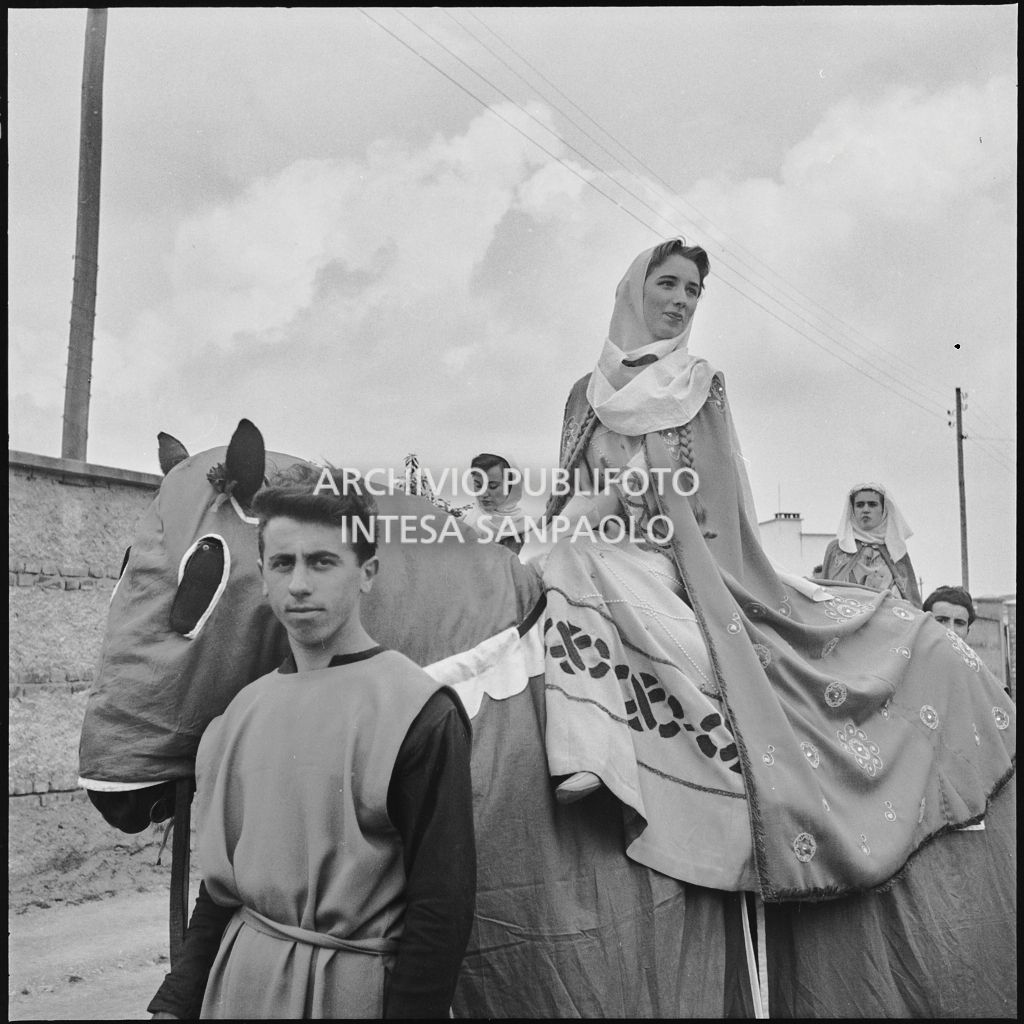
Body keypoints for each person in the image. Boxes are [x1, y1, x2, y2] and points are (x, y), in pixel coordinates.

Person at [540, 237, 1014, 900]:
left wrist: (632, 516)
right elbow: (571, 497)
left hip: (684, 565)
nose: (680, 301)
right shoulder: (583, 398)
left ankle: (600, 752)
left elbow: (721, 504)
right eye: (668, 284)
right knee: (558, 567)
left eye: (692, 291)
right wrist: (548, 540)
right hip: (600, 546)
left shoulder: (699, 387)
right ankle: (584, 746)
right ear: (633, 290)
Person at [147, 465, 475, 1019]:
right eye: (283, 563)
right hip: (236, 990)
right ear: (263, 573)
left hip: (349, 994)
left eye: (322, 562)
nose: (299, 583)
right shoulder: (241, 713)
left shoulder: (418, 712)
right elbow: (221, 889)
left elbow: (441, 912)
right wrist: (176, 1002)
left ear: (366, 572)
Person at [819, 483, 922, 606]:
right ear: (852, 510)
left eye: (872, 504)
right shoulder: (838, 548)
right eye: (860, 505)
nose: (866, 510)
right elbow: (824, 594)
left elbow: (910, 599)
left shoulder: (896, 550)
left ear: (883, 509)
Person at [460, 452, 526, 555]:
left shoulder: (515, 527)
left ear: (510, 487)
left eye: (493, 486)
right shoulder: (470, 516)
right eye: (478, 485)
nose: (483, 494)